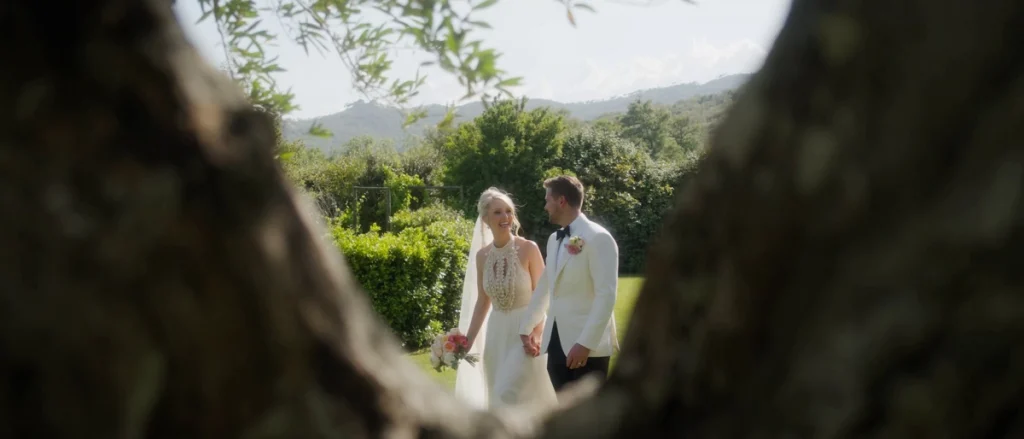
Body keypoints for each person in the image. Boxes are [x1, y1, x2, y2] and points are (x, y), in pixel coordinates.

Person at [454, 187, 557, 408]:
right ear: (485, 219)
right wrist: (467, 342)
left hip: (526, 332)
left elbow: (543, 294)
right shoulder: (482, 257)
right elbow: (483, 301)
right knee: (500, 398)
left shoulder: (528, 248)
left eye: (509, 211)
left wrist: (537, 334)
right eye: (498, 212)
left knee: (509, 394)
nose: (506, 217)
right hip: (496, 335)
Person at [519, 176, 619, 392]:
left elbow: (606, 295)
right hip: (555, 342)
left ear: (561, 201)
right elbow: (546, 286)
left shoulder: (599, 237)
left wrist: (585, 343)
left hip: (587, 348)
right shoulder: (555, 240)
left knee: (591, 419)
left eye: (548, 200)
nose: (545, 206)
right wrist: (526, 327)